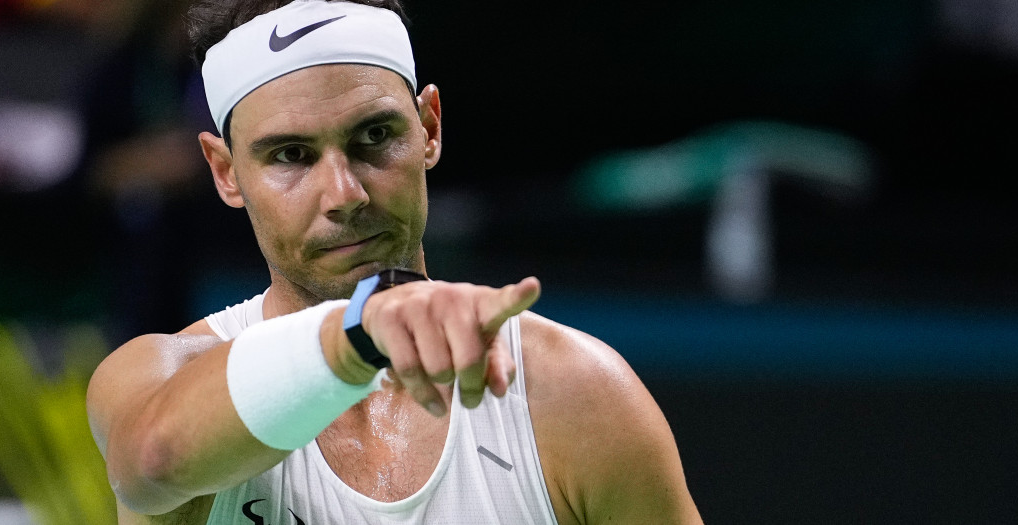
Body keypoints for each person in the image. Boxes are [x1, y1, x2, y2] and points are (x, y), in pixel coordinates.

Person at [86, 1, 703, 523]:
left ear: (429, 128)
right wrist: (358, 336)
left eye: (375, 137)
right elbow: (153, 463)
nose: (345, 194)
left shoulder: (575, 394)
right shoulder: (157, 375)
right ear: (226, 172)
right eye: (292, 155)